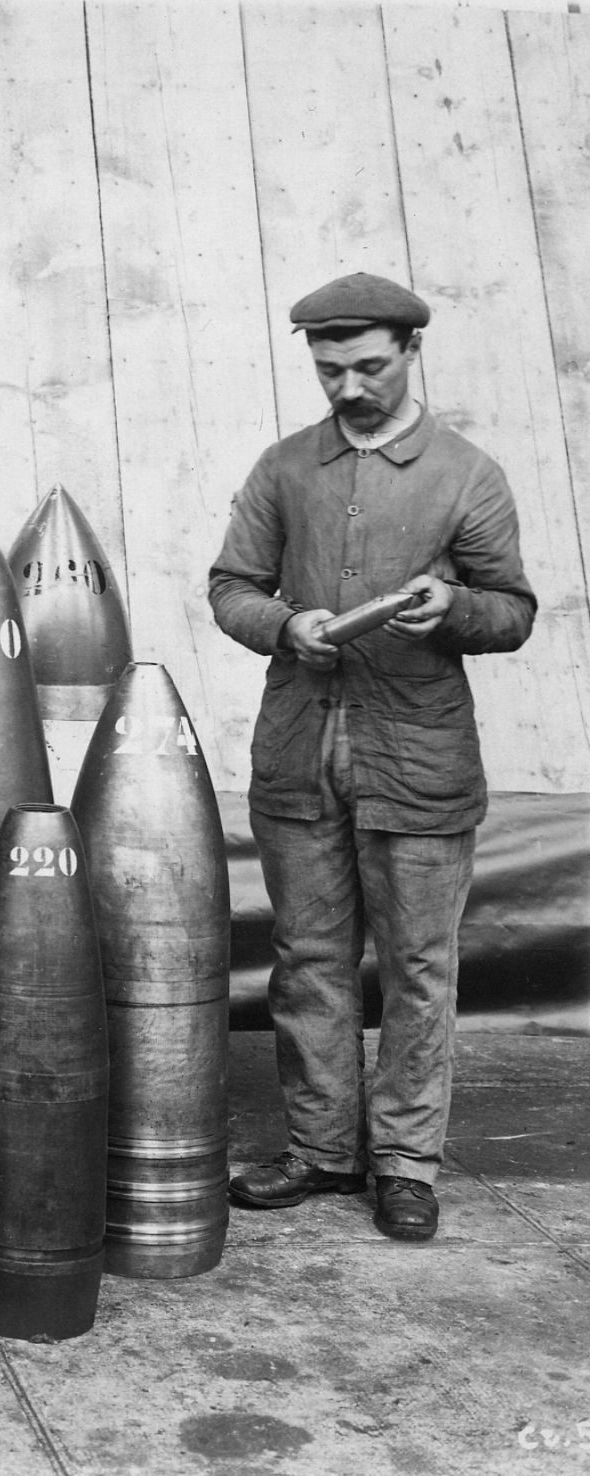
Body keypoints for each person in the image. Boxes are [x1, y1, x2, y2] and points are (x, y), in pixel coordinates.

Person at [208, 272, 537, 1241]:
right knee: (306, 961)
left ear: (408, 351)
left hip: (419, 761)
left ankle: (402, 1163)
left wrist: (457, 611)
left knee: (415, 966)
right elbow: (229, 586)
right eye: (325, 371)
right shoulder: (281, 470)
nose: (345, 389)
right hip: (297, 755)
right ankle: (318, 1152)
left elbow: (511, 611)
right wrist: (283, 623)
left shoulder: (465, 475)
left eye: (364, 367)